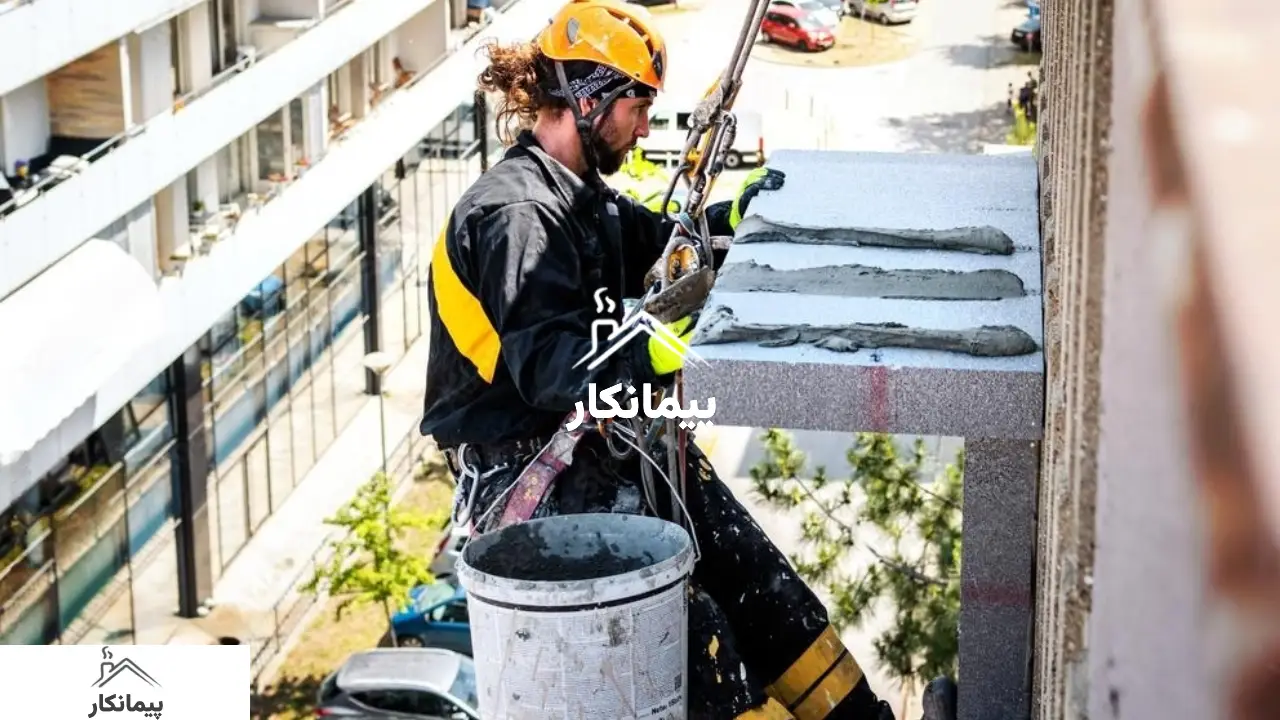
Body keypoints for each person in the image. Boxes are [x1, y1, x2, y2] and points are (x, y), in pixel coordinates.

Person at [420, 1, 902, 717]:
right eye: (636, 105)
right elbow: (551, 366)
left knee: (757, 576)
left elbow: (665, 242)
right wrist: (665, 347)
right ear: (587, 98)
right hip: (530, 472)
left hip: (600, 442)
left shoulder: (580, 201)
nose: (645, 125)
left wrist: (734, 221)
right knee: (695, 635)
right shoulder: (515, 216)